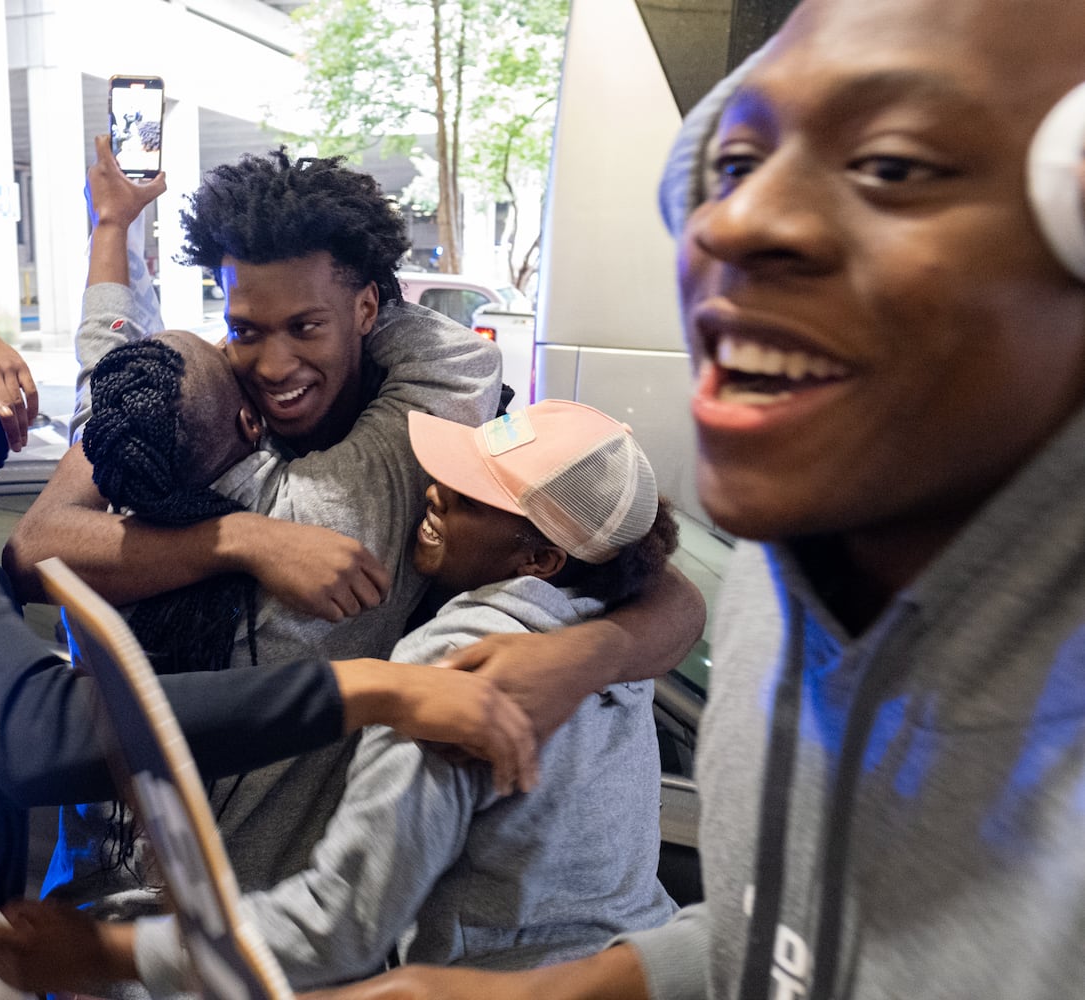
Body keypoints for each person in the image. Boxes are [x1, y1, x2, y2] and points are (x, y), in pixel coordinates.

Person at [305, 0, 1085, 997]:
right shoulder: (774, 580)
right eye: (732, 162)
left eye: (892, 164)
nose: (736, 220)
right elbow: (789, 925)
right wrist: (540, 992)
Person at [0, 137, 540, 1000]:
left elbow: (99, 370)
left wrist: (60, 277)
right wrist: (374, 687)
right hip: (10, 956)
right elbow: (38, 732)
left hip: (45, 934)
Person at [0, 401, 681, 995]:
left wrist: (108, 956)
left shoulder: (461, 662)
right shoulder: (611, 634)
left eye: (468, 498)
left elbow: (341, 924)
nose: (432, 492)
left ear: (538, 561)